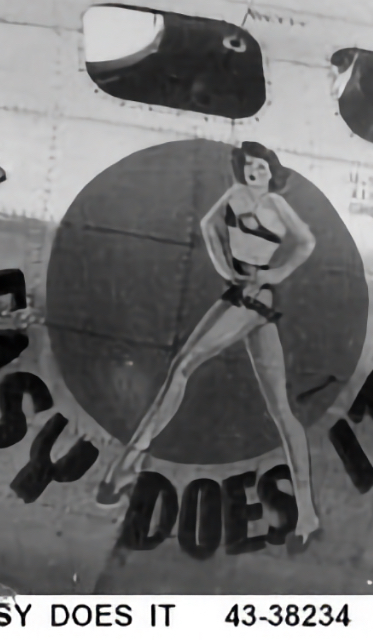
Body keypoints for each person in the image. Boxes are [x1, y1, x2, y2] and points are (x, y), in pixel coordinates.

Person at [96, 142, 321, 542]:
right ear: (242, 171)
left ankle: (126, 465)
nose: (256, 173)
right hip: (239, 293)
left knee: (182, 367)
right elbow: (208, 227)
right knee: (280, 408)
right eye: (250, 167)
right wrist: (222, 267)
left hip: (257, 297)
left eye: (262, 167)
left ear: (272, 171)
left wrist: (274, 275)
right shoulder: (235, 196)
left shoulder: (275, 205)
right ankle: (307, 516)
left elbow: (306, 242)